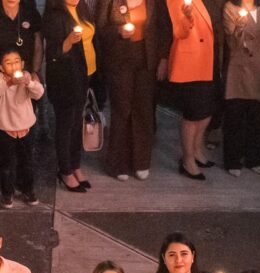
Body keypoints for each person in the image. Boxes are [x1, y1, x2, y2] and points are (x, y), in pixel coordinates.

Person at [95, 0, 163, 181]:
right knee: (122, 109)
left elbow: (161, 27)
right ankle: (119, 164)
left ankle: (141, 162)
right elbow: (99, 28)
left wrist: (163, 57)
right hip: (119, 60)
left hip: (146, 59)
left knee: (143, 110)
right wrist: (118, 30)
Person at [165, 0, 223, 180]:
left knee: (207, 110)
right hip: (191, 61)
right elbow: (179, 32)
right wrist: (187, 18)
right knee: (193, 113)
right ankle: (187, 160)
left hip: (209, 58)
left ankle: (197, 150)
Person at [42, 0, 96, 194]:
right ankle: (65, 171)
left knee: (76, 123)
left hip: (85, 74)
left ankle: (75, 165)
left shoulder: (81, 8)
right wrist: (69, 41)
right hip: (65, 78)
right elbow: (52, 53)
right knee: (66, 125)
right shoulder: (54, 15)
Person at [0, 49, 44, 207]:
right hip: (6, 129)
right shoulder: (1, 79)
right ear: (1, 67)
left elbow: (39, 93)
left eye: (16, 62)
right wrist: (9, 83)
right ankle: (7, 193)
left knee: (27, 161)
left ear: (23, 64)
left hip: (26, 127)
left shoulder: (26, 76)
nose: (13, 66)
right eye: (8, 63)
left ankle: (28, 190)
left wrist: (29, 83)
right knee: (7, 163)